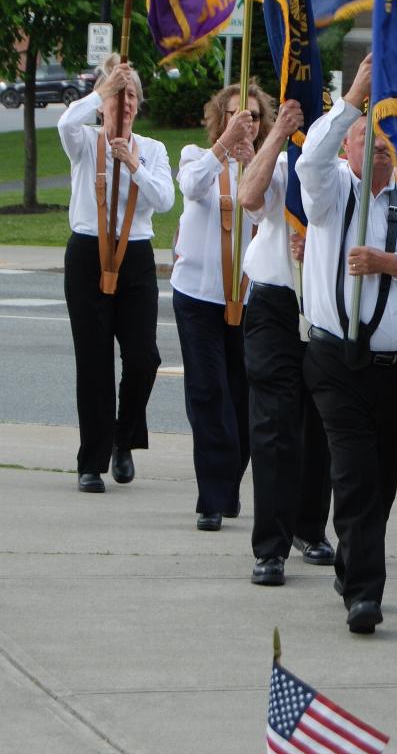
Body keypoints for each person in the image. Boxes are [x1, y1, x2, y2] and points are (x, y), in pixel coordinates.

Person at [295, 55, 397, 634]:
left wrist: (392, 262)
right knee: (355, 472)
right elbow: (311, 161)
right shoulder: (332, 191)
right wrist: (351, 102)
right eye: (369, 137)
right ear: (349, 147)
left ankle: (352, 558)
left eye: (390, 137)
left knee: (383, 475)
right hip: (336, 361)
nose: (381, 146)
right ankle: (365, 594)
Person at [58, 54, 174, 492]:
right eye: (116, 99)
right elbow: (66, 125)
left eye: (130, 100)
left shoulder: (153, 151)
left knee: (145, 358)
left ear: (138, 107)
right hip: (88, 253)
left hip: (136, 256)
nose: (123, 106)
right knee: (93, 362)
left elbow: (163, 200)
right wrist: (102, 89)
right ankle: (91, 461)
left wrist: (132, 164)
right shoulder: (85, 142)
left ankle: (122, 440)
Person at [237, 98, 333, 586]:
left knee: (320, 424)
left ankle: (310, 528)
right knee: (274, 426)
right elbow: (249, 199)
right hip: (275, 303)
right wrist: (278, 134)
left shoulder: (340, 170)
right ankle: (270, 547)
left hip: (324, 305)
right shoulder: (279, 161)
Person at [171, 81, 274, 531]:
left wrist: (254, 161)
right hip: (198, 296)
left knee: (245, 397)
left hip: (248, 299)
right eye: (235, 115)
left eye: (251, 116)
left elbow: (268, 217)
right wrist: (223, 148)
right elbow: (192, 189)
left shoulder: (270, 167)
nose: (243, 123)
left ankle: (228, 482)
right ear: (222, 117)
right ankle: (212, 498)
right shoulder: (197, 156)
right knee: (208, 391)